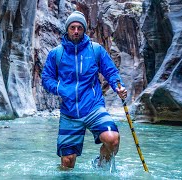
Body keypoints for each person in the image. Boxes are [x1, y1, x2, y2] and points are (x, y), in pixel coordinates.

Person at [41, 11, 127, 170]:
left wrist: (118, 86)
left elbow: (111, 72)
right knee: (67, 161)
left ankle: (101, 166)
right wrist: (61, 89)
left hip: (93, 107)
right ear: (67, 29)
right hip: (70, 112)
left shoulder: (96, 50)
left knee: (112, 139)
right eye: (72, 27)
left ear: (84, 30)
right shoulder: (56, 54)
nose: (76, 31)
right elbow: (46, 79)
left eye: (79, 28)